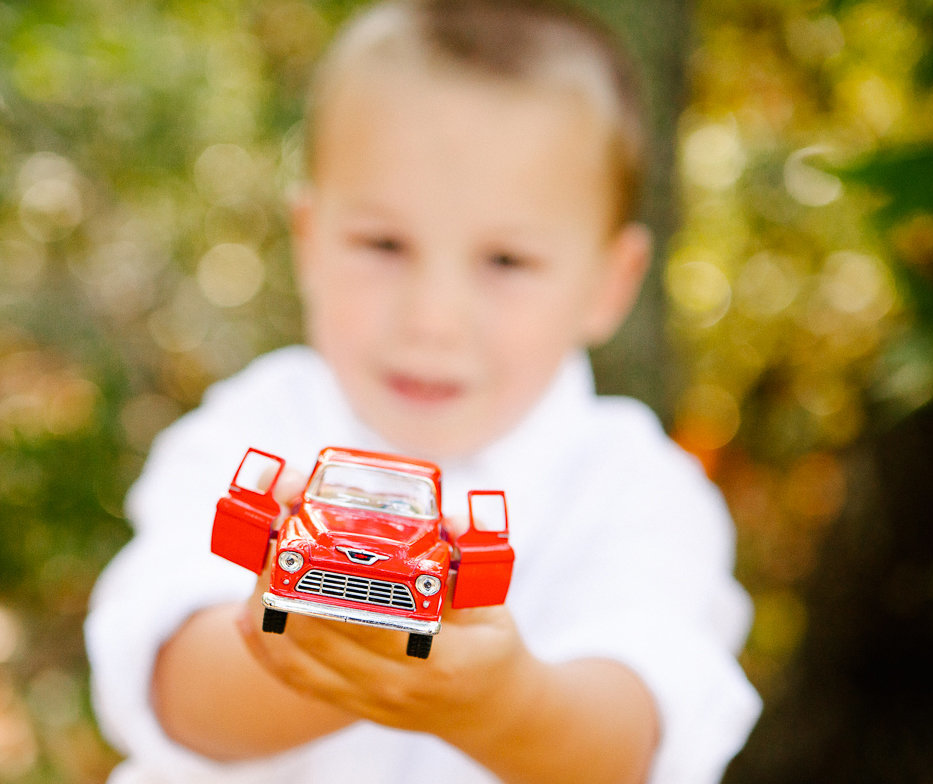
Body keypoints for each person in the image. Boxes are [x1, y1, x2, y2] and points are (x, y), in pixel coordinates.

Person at [85, 0, 761, 781]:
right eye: (382, 244)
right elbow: (172, 685)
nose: (433, 319)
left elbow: (633, 738)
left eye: (506, 262)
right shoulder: (253, 429)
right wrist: (336, 644)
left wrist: (499, 706)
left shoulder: (639, 489)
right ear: (309, 242)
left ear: (611, 285)